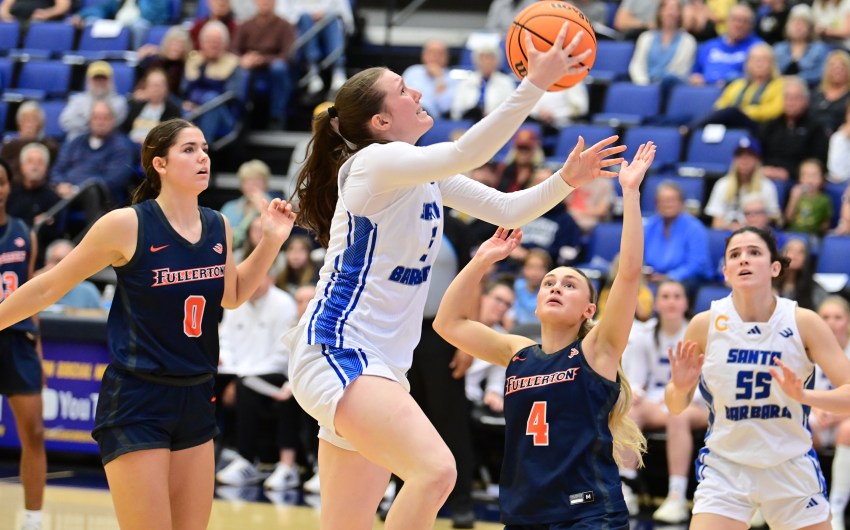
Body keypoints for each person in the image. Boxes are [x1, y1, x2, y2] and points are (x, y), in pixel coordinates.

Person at [286, 24, 624, 530]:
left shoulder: (422, 172)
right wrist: (532, 84)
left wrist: (565, 180)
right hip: (339, 349)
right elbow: (470, 153)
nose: (417, 91)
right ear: (380, 121)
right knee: (437, 473)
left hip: (380, 363)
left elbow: (509, 207)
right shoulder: (373, 164)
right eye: (403, 89)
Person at [0, 118, 296, 529]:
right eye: (189, 149)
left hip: (196, 396)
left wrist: (271, 240)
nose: (203, 157)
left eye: (205, 148)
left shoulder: (218, 225)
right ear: (159, 163)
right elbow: (48, 287)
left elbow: (233, 293)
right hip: (139, 398)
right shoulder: (126, 224)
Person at [432, 141, 656, 528]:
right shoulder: (519, 353)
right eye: (549, 282)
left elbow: (629, 274)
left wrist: (631, 194)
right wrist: (482, 259)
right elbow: (447, 324)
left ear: (590, 309)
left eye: (569, 285)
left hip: (587, 514)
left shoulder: (598, 350)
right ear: (535, 305)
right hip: (524, 512)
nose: (554, 287)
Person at [665, 225, 850, 530]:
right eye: (735, 255)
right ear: (725, 271)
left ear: (775, 267)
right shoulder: (704, 324)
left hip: (790, 466)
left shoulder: (804, 322)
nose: (744, 260)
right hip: (727, 466)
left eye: (754, 252)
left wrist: (806, 396)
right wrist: (681, 387)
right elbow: (675, 405)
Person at [621, 281, 709, 524]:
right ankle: (625, 486)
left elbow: (706, 383)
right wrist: (636, 391)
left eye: (677, 296)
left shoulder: (698, 333)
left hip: (696, 404)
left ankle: (676, 496)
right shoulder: (644, 335)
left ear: (686, 303)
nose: (671, 301)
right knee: (627, 409)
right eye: (666, 296)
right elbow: (636, 379)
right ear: (657, 303)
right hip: (658, 403)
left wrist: (676, 396)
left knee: (677, 413)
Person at [214, 265, 302, 491]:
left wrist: (241, 376)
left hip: (273, 374)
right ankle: (208, 450)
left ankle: (247, 459)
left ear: (271, 278)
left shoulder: (284, 304)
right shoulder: (236, 301)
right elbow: (225, 341)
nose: (252, 281)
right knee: (204, 379)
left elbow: (281, 355)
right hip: (237, 371)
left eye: (258, 276)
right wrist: (227, 363)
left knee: (246, 386)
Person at [0, 157, 45, 530]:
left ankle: (32, 519)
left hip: (18, 341)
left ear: (8, 187)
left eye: (0, 182)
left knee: (34, 433)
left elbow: (32, 296)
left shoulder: (22, 232)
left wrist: (40, 353)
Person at [810, 296, 850, 530]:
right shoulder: (808, 347)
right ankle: (806, 506)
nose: (832, 323)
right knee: (795, 427)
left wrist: (841, 413)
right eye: (825, 317)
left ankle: (836, 507)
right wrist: (816, 407)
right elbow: (799, 389)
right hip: (818, 415)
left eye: (838, 317)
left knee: (848, 429)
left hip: (845, 418)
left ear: (847, 321)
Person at [689, 3, 762, 86]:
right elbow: (695, 73)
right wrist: (695, 78)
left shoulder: (757, 48)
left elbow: (759, 77)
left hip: (737, 94)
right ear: (727, 22)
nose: (739, 25)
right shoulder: (708, 46)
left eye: (744, 21)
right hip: (706, 92)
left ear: (751, 26)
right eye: (735, 20)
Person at [629, 0, 698, 87]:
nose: (670, 13)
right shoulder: (645, 38)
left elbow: (682, 71)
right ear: (660, 12)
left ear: (680, 13)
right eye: (666, 8)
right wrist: (645, 86)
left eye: (674, 9)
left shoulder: (688, 41)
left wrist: (662, 85)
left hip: (672, 89)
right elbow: (636, 66)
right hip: (644, 88)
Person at [59, 61, 129, 142]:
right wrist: (95, 123)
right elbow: (65, 122)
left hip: (107, 144)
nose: (99, 82)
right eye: (96, 78)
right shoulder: (77, 99)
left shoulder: (119, 102)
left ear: (110, 81)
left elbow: (111, 125)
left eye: (103, 78)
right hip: (77, 143)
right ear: (88, 80)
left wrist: (83, 119)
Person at [34, 239, 103, 311]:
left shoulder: (88, 291)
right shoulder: (35, 287)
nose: (62, 267)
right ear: (47, 263)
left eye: (67, 261)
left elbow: (100, 319)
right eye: (58, 261)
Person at [402, 39, 458, 120]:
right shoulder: (412, 71)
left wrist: (440, 79)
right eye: (431, 52)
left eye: (440, 54)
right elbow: (400, 94)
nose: (435, 57)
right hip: (408, 111)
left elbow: (445, 108)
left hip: (429, 117)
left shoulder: (452, 77)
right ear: (423, 55)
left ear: (447, 58)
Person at [773, 4, 830, 86]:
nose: (798, 27)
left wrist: (795, 79)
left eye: (802, 23)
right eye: (794, 22)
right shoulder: (778, 48)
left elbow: (820, 73)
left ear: (810, 28)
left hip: (809, 91)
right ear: (787, 26)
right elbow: (772, 72)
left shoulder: (819, 49)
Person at [784, 158, 834, 235]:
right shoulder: (795, 195)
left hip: (813, 236)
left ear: (822, 178)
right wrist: (794, 199)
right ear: (799, 178)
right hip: (792, 233)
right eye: (805, 175)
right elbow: (788, 219)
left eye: (814, 175)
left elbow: (826, 223)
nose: (810, 180)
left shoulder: (824, 200)